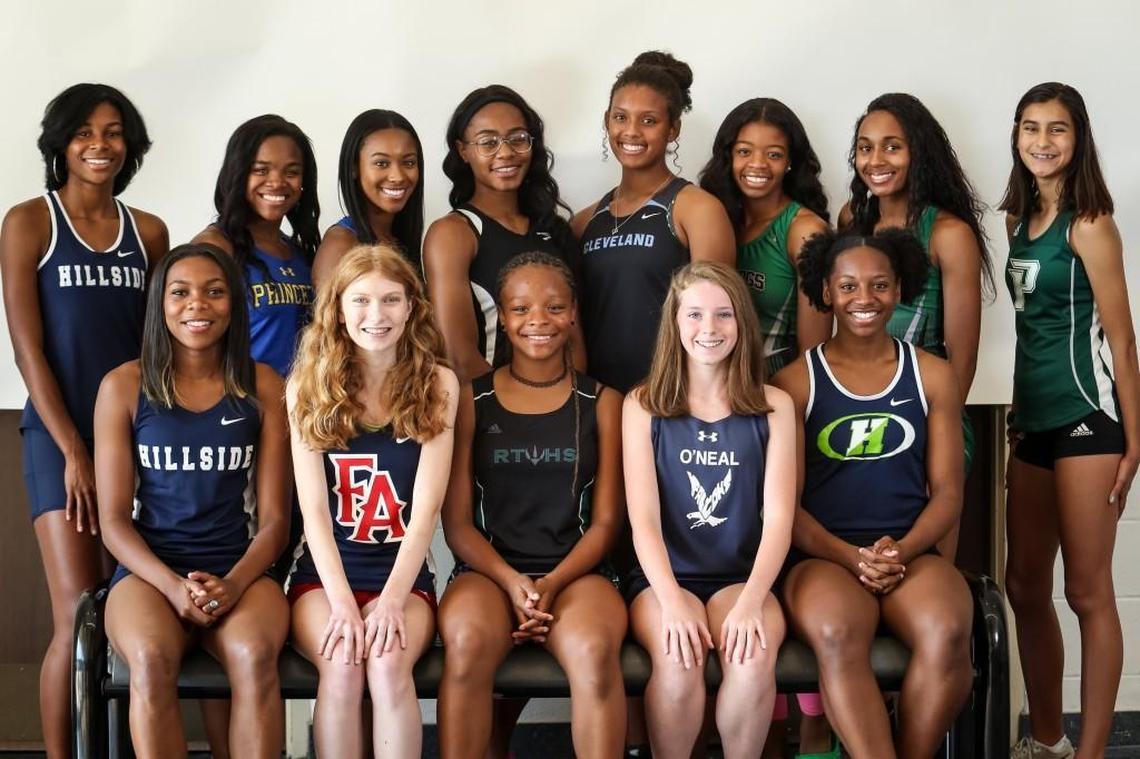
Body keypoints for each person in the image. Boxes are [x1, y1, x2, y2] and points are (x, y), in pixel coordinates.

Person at [0, 82, 168, 757]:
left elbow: (159, 345)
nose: (100, 145)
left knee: (121, 610)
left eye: (114, 132)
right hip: (57, 436)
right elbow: (27, 345)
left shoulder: (149, 231)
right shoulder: (29, 222)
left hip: (131, 442)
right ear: (61, 144)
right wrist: (73, 448)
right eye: (84, 132)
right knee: (76, 612)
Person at [774, 228, 972, 759]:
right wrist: (851, 556)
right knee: (837, 634)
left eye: (879, 284)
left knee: (951, 630)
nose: (865, 298)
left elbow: (949, 492)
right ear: (827, 292)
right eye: (849, 286)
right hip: (824, 558)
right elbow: (785, 510)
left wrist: (899, 551)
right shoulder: (795, 383)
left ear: (900, 287)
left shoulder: (933, 375)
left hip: (909, 552)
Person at [95, 243, 290, 758]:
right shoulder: (123, 386)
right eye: (180, 293)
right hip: (149, 574)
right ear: (160, 303)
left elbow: (275, 520)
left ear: (235, 304)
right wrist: (172, 586)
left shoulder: (264, 385)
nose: (197, 305)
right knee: (152, 657)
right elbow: (113, 521)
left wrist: (233, 583)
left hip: (239, 569)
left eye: (215, 292)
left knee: (252, 654)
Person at [437, 252, 627, 759]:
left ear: (572, 314)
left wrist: (548, 586)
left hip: (578, 575)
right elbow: (456, 524)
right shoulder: (469, 401)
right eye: (520, 309)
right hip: (488, 573)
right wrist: (512, 582)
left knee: (592, 652)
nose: (537, 321)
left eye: (553, 307)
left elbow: (607, 523)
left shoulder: (603, 402)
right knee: (468, 645)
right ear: (502, 314)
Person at [1000, 83, 1138, 759]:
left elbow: (1122, 337)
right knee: (1024, 584)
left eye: (1057, 129)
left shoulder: (1090, 224)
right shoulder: (1014, 221)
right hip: (1032, 423)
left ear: (1078, 139)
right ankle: (1047, 738)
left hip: (1090, 418)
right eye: (1031, 127)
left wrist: (1135, 440)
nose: (1043, 141)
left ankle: (1090, 752)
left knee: (1086, 591)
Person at [286, 244, 458, 758]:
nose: (375, 316)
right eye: (360, 301)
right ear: (338, 309)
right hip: (324, 579)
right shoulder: (306, 386)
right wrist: (342, 604)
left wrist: (390, 601)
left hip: (403, 578)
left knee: (386, 663)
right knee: (341, 663)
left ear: (411, 308)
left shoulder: (438, 385)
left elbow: (426, 511)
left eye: (390, 300)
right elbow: (314, 512)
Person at [624, 261, 795, 759]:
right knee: (678, 659)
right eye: (695, 315)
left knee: (753, 654)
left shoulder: (774, 406)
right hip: (664, 579)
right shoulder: (643, 405)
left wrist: (751, 603)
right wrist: (672, 602)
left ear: (742, 323)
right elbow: (644, 523)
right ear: (675, 324)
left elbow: (780, 519)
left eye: (723, 315)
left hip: (744, 578)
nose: (709, 329)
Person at [840, 94, 990, 557]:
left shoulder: (948, 234)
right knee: (859, 565)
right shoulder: (851, 220)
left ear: (918, 153)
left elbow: (961, 357)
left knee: (929, 568)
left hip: (928, 416)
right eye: (865, 148)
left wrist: (936, 443)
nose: (876, 160)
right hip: (857, 412)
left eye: (892, 147)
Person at [574, 50, 735, 394]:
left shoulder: (695, 209)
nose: (631, 131)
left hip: (670, 398)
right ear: (607, 120)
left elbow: (715, 321)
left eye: (649, 121)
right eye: (621, 117)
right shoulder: (583, 221)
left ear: (673, 128)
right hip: (599, 402)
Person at [424, 85, 582, 382]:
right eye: (488, 142)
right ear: (463, 151)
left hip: (564, 413)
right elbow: (458, 357)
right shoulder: (453, 234)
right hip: (490, 417)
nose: (506, 152)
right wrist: (521, 411)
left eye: (517, 139)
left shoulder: (553, 229)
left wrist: (570, 409)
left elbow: (575, 344)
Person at [698, 96, 832, 378]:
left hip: (776, 390)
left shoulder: (805, 231)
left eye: (773, 154)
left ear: (790, 162)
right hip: (714, 387)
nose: (757, 164)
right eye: (744, 152)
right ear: (729, 156)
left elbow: (813, 356)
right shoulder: (712, 218)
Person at [193, 113, 319, 380]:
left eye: (292, 172)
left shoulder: (300, 253)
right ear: (237, 173)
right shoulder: (214, 247)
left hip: (301, 411)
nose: (277, 182)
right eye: (261, 170)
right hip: (243, 410)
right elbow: (192, 348)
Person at [314, 109, 425, 286]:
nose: (397, 176)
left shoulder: (397, 238)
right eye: (381, 163)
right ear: (353, 168)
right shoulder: (341, 243)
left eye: (408, 162)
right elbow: (327, 313)